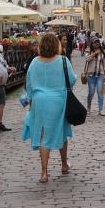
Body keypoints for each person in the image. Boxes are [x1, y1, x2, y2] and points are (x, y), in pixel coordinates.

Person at [21, 32, 75, 183]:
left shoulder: (34, 62)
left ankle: (44, 172)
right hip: (58, 100)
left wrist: (30, 98)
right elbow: (72, 80)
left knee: (43, 135)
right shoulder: (63, 60)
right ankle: (64, 164)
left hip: (39, 100)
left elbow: (29, 83)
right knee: (61, 130)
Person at [82, 40, 105, 113]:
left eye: (98, 42)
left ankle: (101, 109)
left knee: (100, 92)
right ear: (92, 44)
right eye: (95, 42)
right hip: (91, 76)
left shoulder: (102, 53)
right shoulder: (88, 52)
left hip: (100, 75)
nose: (97, 44)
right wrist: (95, 53)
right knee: (91, 92)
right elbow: (87, 59)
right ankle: (88, 106)